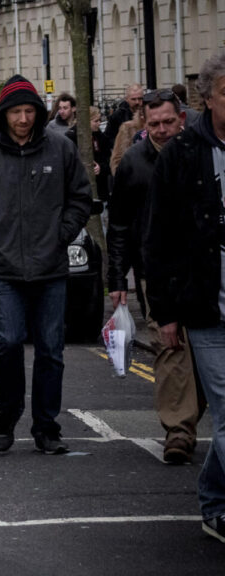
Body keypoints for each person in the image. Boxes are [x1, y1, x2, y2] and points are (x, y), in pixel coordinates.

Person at [0, 74, 91, 456]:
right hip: (3, 268)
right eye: (16, 111)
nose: (23, 119)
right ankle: (6, 413)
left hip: (50, 268)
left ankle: (46, 426)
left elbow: (80, 198)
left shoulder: (59, 148)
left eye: (30, 111)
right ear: (3, 114)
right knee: (9, 342)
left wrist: (61, 235)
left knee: (51, 350)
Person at [144, 49, 225, 544]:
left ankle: (214, 500)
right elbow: (159, 240)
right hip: (206, 308)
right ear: (208, 99)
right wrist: (166, 311)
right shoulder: (183, 154)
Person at [110, 88, 197, 464]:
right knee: (168, 347)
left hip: (202, 269)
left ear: (181, 117)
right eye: (154, 123)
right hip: (154, 271)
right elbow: (120, 226)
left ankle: (192, 417)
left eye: (168, 122)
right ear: (143, 122)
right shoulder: (133, 163)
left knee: (204, 348)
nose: (162, 130)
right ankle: (178, 430)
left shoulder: (201, 153)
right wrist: (117, 279)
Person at [103, 83, 145, 149]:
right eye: (133, 99)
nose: (137, 102)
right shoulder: (117, 116)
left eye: (140, 99)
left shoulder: (149, 113)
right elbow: (108, 138)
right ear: (126, 99)